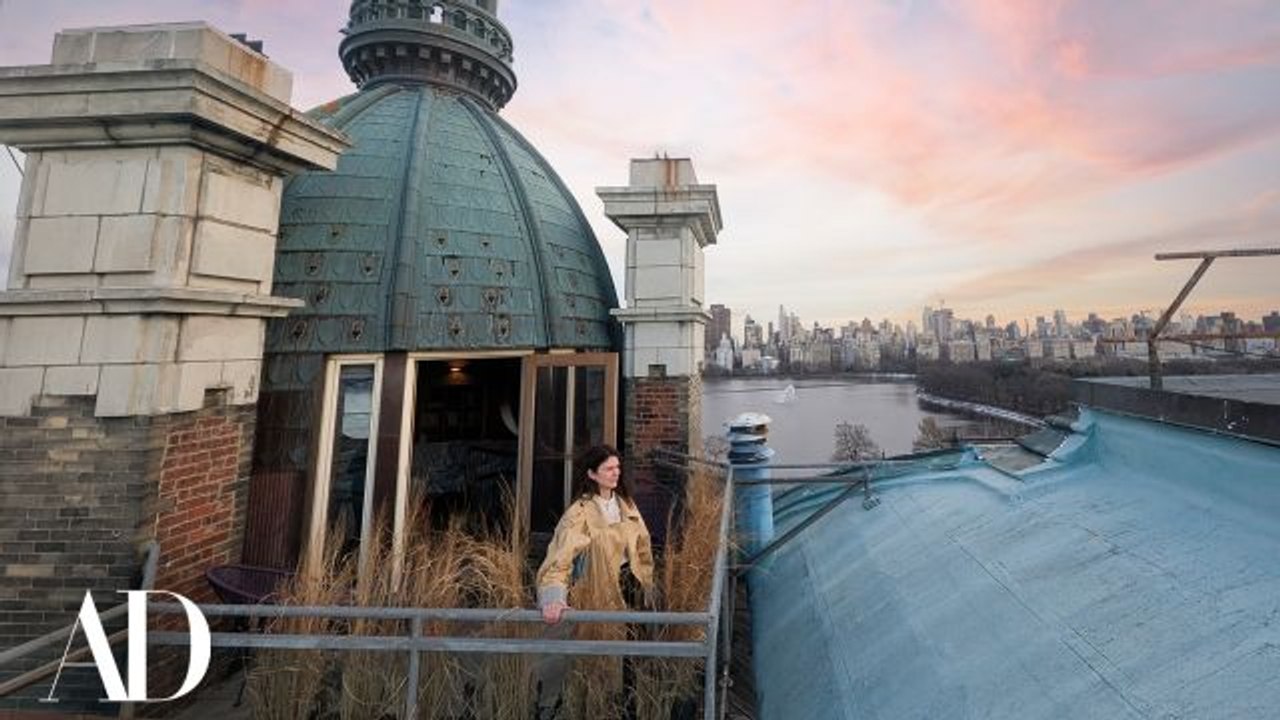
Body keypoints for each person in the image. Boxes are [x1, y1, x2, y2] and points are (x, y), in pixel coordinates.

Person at [536, 445, 655, 624]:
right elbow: (560, 558)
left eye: (617, 467)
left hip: (634, 586)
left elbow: (643, 548)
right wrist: (553, 599)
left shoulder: (627, 506)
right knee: (607, 642)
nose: (616, 473)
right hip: (601, 590)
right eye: (609, 469)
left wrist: (648, 585)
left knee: (637, 646)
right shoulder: (579, 513)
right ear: (592, 474)